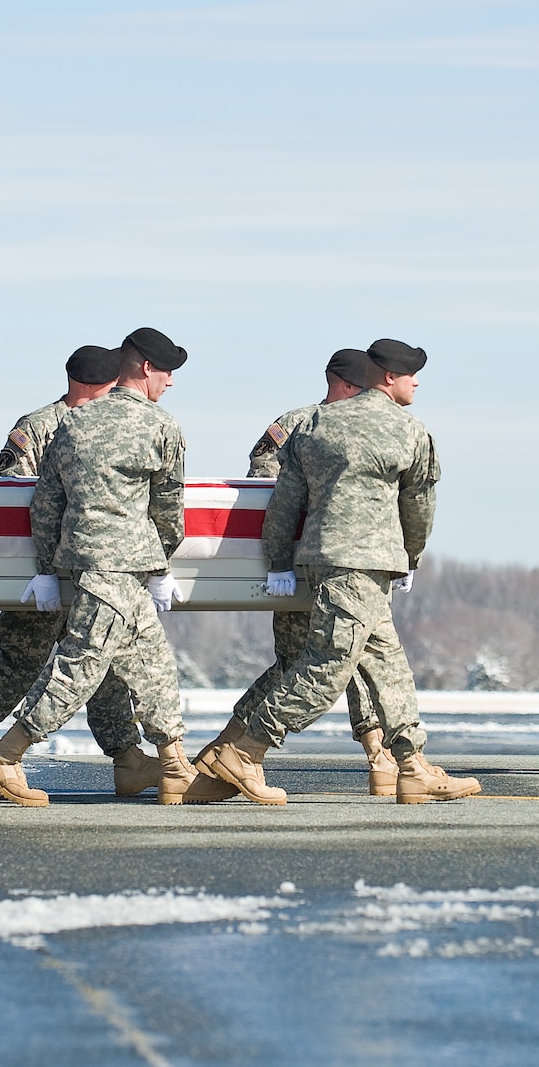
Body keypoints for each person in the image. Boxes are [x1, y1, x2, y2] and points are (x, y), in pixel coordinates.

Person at [195, 337, 478, 806]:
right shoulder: (410, 431)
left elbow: (284, 501)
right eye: (412, 375)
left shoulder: (315, 423)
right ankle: (245, 751)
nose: (417, 383)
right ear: (389, 378)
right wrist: (412, 555)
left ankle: (411, 764)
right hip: (366, 563)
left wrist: (280, 560)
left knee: (389, 663)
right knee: (326, 668)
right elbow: (418, 505)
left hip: (323, 559)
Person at [0, 328, 197, 806]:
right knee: (82, 665)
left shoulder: (73, 424)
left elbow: (46, 504)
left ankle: (173, 761)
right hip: (122, 563)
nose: (171, 382)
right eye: (168, 371)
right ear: (146, 369)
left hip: (85, 561)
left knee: (152, 663)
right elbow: (169, 508)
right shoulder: (161, 426)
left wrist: (49, 567)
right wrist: (162, 560)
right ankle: (7, 754)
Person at [0, 344, 154, 806]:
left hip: (91, 571)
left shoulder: (97, 424)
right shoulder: (37, 428)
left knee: (104, 661)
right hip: (42, 575)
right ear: (103, 383)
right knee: (18, 665)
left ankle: (127, 757)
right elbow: (16, 500)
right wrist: (42, 571)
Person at [231, 348, 398, 795]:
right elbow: (263, 483)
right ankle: (231, 745)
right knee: (299, 662)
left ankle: (379, 755)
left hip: (348, 561)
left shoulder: (373, 425)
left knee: (360, 656)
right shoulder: (298, 424)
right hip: (303, 561)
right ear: (345, 384)